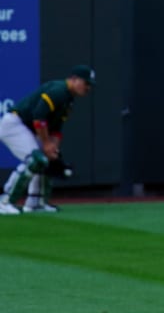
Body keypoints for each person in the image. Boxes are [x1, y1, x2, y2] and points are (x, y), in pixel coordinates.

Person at [0, 64, 95, 215]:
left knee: (48, 159)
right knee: (35, 160)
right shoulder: (59, 91)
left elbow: (56, 129)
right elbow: (39, 117)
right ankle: (5, 202)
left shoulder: (69, 99)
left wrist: (53, 148)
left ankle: (35, 203)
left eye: (90, 85)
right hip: (14, 124)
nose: (88, 88)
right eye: (86, 83)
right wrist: (46, 143)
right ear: (74, 79)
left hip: (28, 128)